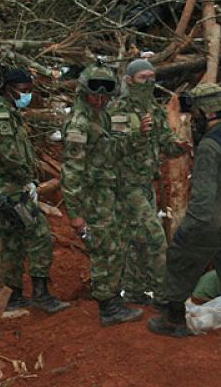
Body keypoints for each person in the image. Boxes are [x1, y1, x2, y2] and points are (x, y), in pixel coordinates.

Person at [147, 83, 221, 366]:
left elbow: (204, 197)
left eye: (195, 111)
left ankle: (174, 320)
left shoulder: (209, 146)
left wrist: (187, 230)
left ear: (205, 112)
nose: (192, 117)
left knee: (179, 261)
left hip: (210, 224)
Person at [0, 68, 69, 313]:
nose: (28, 95)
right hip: (8, 192)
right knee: (39, 235)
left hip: (5, 190)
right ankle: (40, 294)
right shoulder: (1, 116)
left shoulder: (9, 112)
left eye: (30, 91)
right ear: (9, 88)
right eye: (24, 91)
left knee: (12, 241)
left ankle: (13, 296)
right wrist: (26, 180)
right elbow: (9, 155)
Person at [61, 61, 142, 327]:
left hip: (108, 192)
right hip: (93, 197)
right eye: (95, 95)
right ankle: (107, 305)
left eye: (105, 95)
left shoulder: (103, 116)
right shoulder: (79, 124)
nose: (100, 100)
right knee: (104, 249)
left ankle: (112, 297)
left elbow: (113, 152)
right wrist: (75, 214)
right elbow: (71, 171)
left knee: (116, 244)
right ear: (84, 92)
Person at [110, 59, 187, 307]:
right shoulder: (119, 110)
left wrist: (179, 147)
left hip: (145, 183)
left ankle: (133, 290)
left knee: (139, 239)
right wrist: (138, 135)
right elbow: (114, 148)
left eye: (152, 78)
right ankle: (164, 295)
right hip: (126, 185)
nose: (149, 83)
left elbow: (164, 138)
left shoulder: (152, 108)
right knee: (155, 236)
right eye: (144, 78)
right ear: (130, 79)